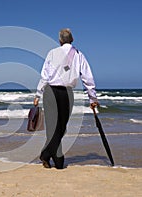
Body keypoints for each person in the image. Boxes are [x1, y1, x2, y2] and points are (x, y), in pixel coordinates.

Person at [34, 28, 99, 169]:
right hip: (67, 93)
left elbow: (45, 75)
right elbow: (87, 77)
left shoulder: (52, 53)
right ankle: (57, 158)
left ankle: (47, 155)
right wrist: (92, 98)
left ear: (60, 41)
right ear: (72, 39)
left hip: (50, 92)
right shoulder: (78, 55)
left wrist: (38, 94)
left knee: (54, 127)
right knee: (61, 127)